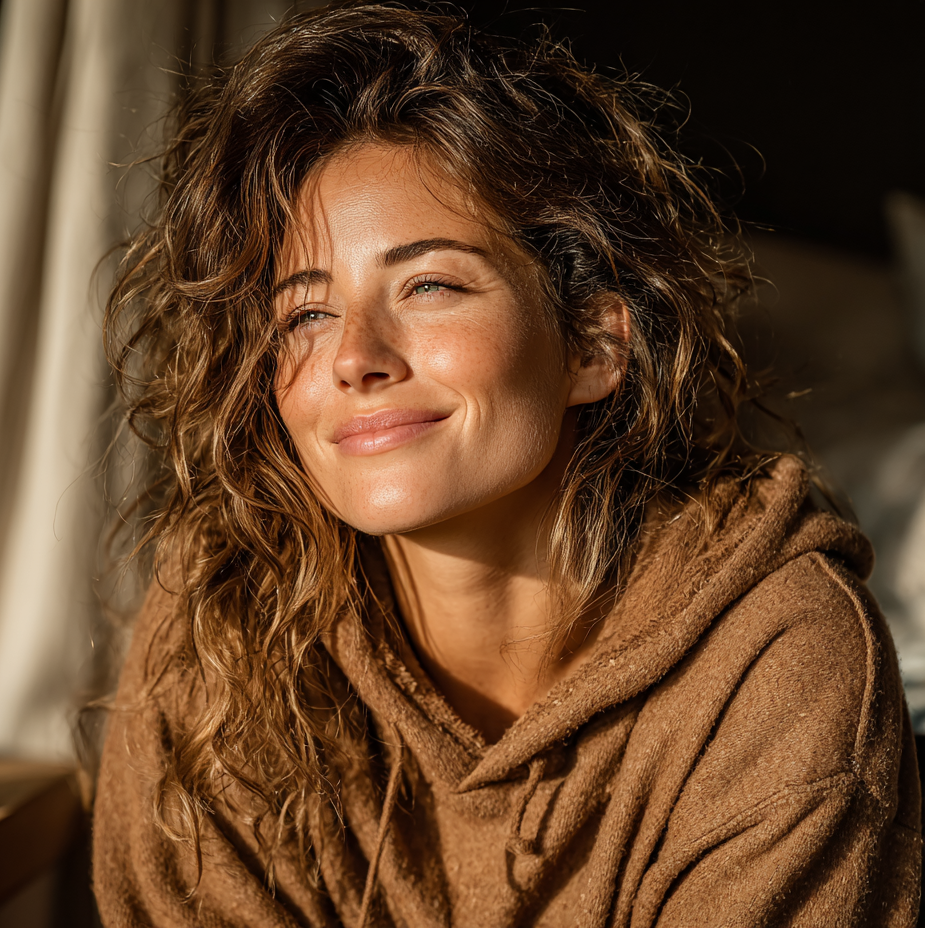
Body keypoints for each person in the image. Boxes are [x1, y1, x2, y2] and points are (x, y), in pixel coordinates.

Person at [92, 4, 922, 924]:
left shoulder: (775, 661)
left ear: (591, 349)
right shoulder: (226, 612)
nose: (353, 357)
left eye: (430, 285)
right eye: (306, 313)